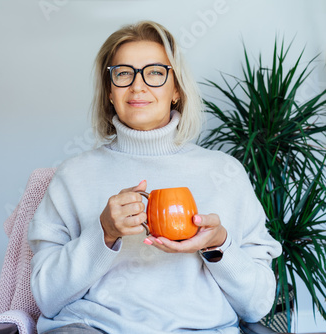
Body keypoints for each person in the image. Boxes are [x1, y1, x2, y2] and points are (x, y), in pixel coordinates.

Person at [28, 20, 282, 334]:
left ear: (176, 89)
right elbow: (46, 297)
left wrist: (218, 245)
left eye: (155, 73)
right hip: (92, 328)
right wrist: (104, 233)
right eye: (123, 73)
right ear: (109, 91)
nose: (138, 86)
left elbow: (257, 304)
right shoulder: (74, 175)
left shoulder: (225, 173)